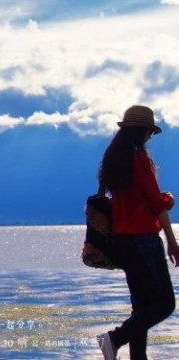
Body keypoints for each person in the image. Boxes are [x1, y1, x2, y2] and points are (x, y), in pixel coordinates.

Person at [96, 105, 179, 360]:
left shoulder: (115, 160)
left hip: (123, 241)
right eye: (149, 132)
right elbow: (154, 202)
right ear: (142, 131)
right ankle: (114, 338)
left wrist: (161, 200)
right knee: (164, 304)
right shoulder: (138, 159)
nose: (150, 137)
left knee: (142, 307)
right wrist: (172, 242)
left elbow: (132, 200)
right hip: (143, 238)